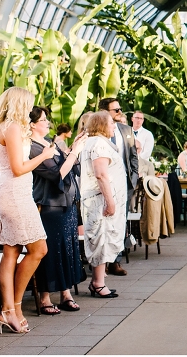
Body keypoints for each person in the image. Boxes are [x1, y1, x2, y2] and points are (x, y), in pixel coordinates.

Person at [0, 87, 57, 334]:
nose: (29, 109)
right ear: (19, 103)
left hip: (13, 192)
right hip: (15, 194)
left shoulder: (6, 126)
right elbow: (18, 168)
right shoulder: (12, 127)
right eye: (28, 104)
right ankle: (12, 307)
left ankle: (8, 311)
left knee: (11, 251)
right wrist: (44, 156)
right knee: (39, 249)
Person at [29, 107, 87, 315]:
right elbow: (57, 174)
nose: (48, 123)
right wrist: (74, 152)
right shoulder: (33, 148)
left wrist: (72, 149)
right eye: (43, 120)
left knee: (68, 248)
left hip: (67, 202)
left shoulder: (49, 143)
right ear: (32, 124)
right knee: (52, 249)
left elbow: (71, 166)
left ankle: (65, 293)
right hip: (50, 205)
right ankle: (44, 297)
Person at [79, 111, 126, 299]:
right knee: (101, 238)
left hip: (100, 200)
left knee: (103, 237)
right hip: (100, 201)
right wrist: (110, 201)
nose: (114, 126)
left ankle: (97, 281)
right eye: (111, 123)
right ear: (101, 125)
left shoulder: (95, 142)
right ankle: (98, 283)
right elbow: (101, 174)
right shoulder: (98, 144)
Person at [97, 97, 138, 276]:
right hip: (103, 183)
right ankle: (101, 262)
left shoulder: (126, 130)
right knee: (103, 223)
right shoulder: (95, 132)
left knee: (121, 223)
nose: (120, 112)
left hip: (124, 185)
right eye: (116, 110)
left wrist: (133, 179)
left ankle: (116, 260)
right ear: (104, 112)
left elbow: (133, 156)